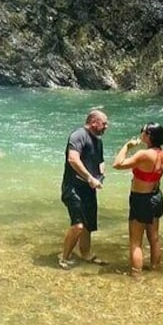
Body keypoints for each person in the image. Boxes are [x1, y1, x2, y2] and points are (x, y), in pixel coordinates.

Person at [112, 122, 163, 275]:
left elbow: (117, 164)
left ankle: (136, 275)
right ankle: (155, 269)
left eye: (142, 131)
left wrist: (127, 146)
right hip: (156, 196)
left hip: (141, 199)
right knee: (154, 238)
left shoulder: (143, 154)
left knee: (136, 242)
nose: (141, 133)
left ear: (148, 135)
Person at [59, 109, 109, 269]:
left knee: (88, 225)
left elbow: (100, 162)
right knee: (78, 225)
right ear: (94, 122)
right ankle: (64, 257)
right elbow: (73, 159)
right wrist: (89, 178)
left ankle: (85, 253)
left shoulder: (98, 141)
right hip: (73, 187)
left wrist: (100, 177)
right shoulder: (78, 135)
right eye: (104, 123)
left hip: (89, 189)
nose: (106, 127)